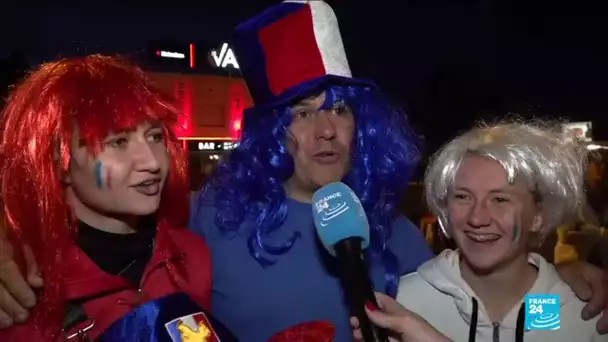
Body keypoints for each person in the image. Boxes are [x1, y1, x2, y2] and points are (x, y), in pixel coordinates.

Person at [0, 1, 607, 340]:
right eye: (302, 111)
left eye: (339, 110)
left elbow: (487, 283)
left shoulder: (392, 230)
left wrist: (566, 271)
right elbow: (94, 243)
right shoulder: (202, 221)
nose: (325, 129)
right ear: (272, 133)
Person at [0, 55, 212, 341]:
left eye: (154, 136)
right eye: (118, 142)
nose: (152, 161)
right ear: (58, 160)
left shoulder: (193, 256)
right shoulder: (23, 287)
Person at [353, 120, 608, 341]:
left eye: (500, 199)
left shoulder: (585, 312)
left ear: (538, 216)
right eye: (463, 197)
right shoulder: (402, 304)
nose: (477, 218)